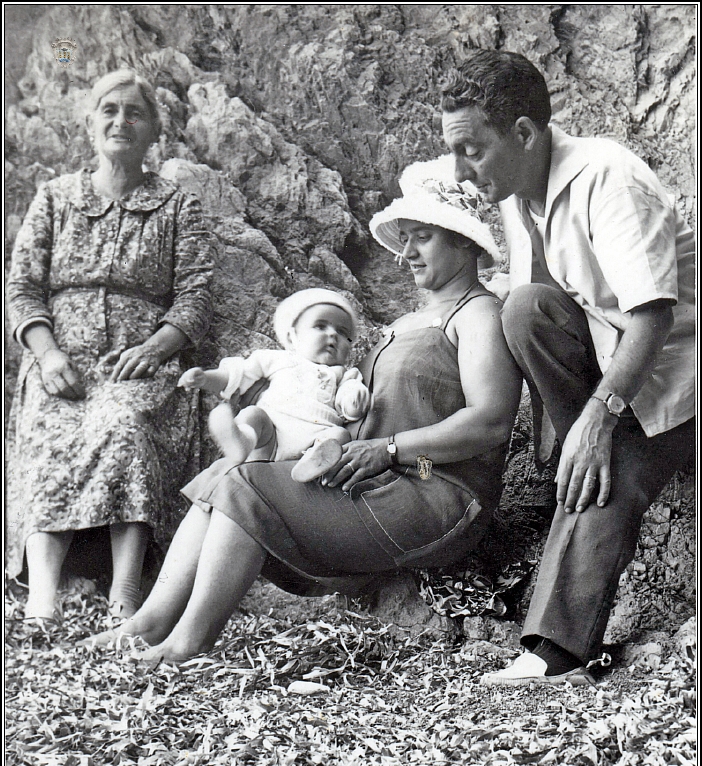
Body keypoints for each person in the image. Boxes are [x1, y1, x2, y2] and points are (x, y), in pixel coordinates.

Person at [84, 158, 522, 663]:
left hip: (434, 487)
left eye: (421, 237)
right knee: (226, 473)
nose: (406, 253)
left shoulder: (479, 313)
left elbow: (491, 421)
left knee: (245, 485)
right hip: (377, 478)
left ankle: (190, 641)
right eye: (404, 238)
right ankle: (152, 620)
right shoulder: (409, 321)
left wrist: (390, 447)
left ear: (463, 241)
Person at [440, 50, 695, 686]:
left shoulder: (609, 178)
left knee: (610, 467)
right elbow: (535, 304)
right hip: (618, 360)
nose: (460, 168)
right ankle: (578, 454)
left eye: (471, 149)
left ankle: (556, 649)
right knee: (523, 309)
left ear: (524, 133)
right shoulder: (519, 191)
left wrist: (598, 420)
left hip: (678, 373)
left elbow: (653, 318)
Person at [6, 68, 213, 623]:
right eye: (109, 111)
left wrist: (159, 346)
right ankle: (42, 599)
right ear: (91, 124)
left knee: (122, 428)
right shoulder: (54, 198)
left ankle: (126, 594)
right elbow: (22, 288)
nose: (121, 121)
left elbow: (195, 294)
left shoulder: (176, 207)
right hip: (61, 363)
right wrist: (47, 355)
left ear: (153, 134)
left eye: (135, 113)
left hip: (135, 364)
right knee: (51, 433)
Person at [178, 288, 370, 483]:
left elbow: (349, 400)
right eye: (320, 326)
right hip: (271, 436)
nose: (332, 335)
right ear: (292, 337)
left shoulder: (345, 374)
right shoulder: (277, 359)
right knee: (253, 414)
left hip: (315, 440)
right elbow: (238, 375)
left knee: (340, 434)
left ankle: (313, 463)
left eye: (342, 332)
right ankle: (241, 443)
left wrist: (354, 403)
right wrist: (205, 378)